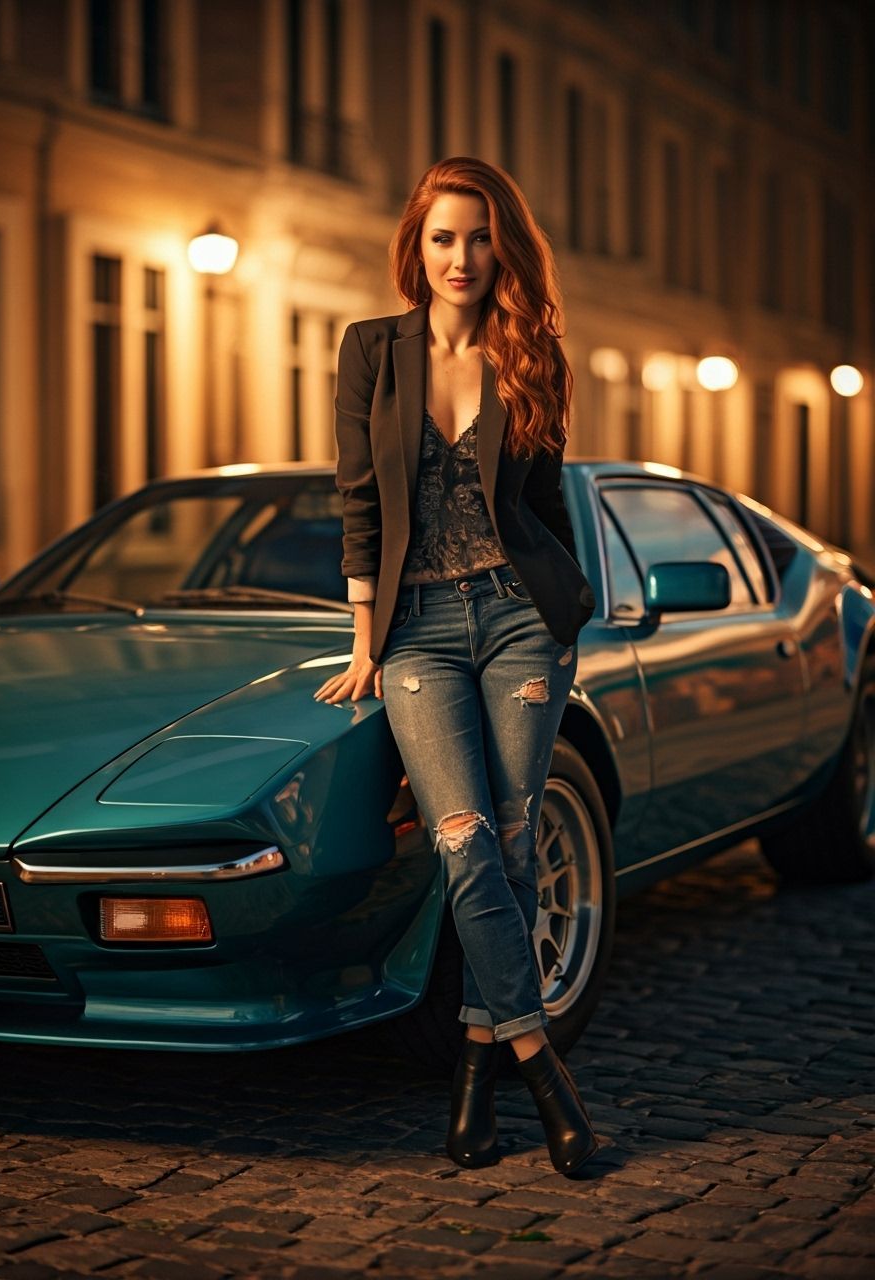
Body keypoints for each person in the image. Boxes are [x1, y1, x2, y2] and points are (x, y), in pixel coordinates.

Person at [314, 156, 598, 1177]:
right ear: (417, 245)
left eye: (480, 237)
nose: (462, 257)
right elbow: (358, 501)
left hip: (523, 623)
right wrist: (366, 643)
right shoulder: (370, 349)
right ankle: (542, 1070)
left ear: (501, 248)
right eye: (443, 237)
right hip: (419, 633)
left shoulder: (532, 356)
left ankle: (475, 1076)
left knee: (514, 852)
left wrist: (568, 616)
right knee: (467, 846)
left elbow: (547, 501)